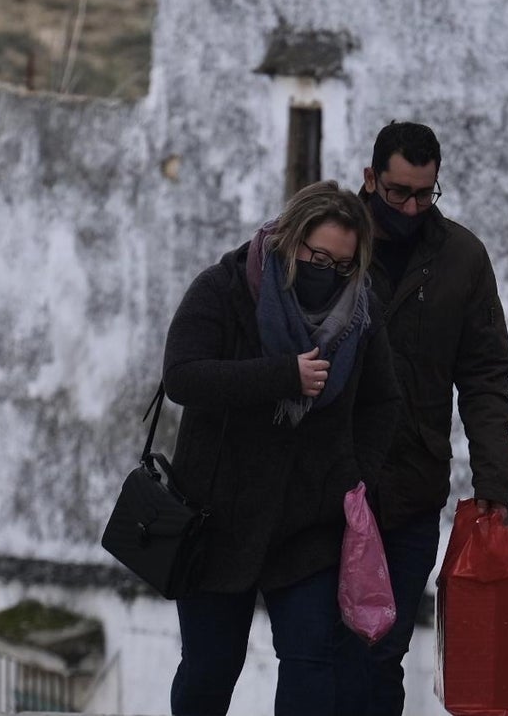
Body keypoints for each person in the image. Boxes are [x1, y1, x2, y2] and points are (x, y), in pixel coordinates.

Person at [162, 180, 402, 716]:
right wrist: (282, 375)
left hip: (309, 523)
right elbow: (183, 376)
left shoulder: (361, 314)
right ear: (290, 240)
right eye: (319, 258)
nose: (329, 273)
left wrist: (353, 476)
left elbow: (382, 402)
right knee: (209, 666)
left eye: (344, 265)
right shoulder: (225, 288)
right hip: (218, 517)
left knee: (311, 664)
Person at [340, 121, 508, 715]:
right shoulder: (330, 243)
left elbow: (485, 376)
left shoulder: (463, 258)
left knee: (382, 655)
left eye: (424, 194)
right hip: (330, 493)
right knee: (325, 657)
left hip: (411, 495)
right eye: (398, 193)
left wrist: (493, 480)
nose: (412, 208)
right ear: (370, 178)